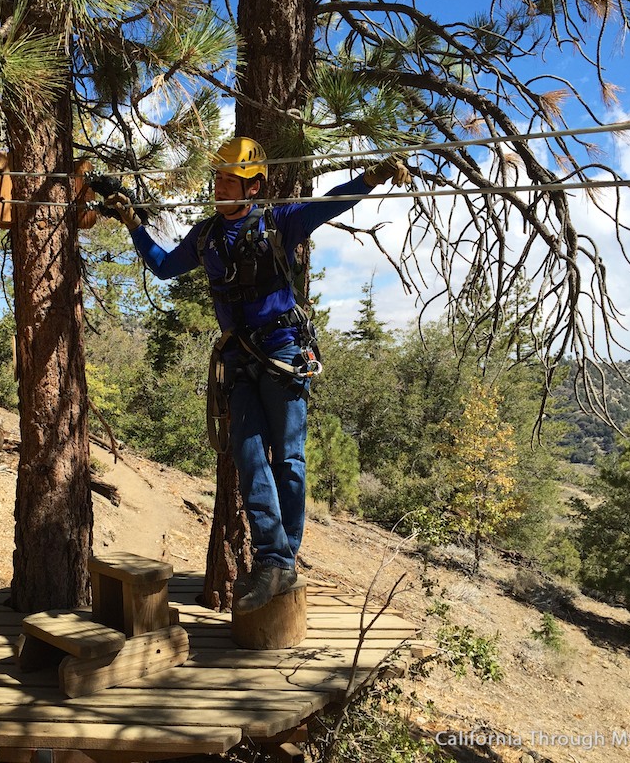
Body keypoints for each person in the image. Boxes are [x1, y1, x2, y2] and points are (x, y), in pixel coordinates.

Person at [105, 137, 411, 613]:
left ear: (252, 187)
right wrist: (133, 225)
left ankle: (278, 563)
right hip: (240, 363)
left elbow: (327, 206)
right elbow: (164, 267)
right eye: (217, 178)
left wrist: (370, 179)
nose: (217, 186)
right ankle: (276, 561)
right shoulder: (205, 236)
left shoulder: (277, 223)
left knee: (289, 459)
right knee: (249, 460)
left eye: (228, 179)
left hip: (285, 353)